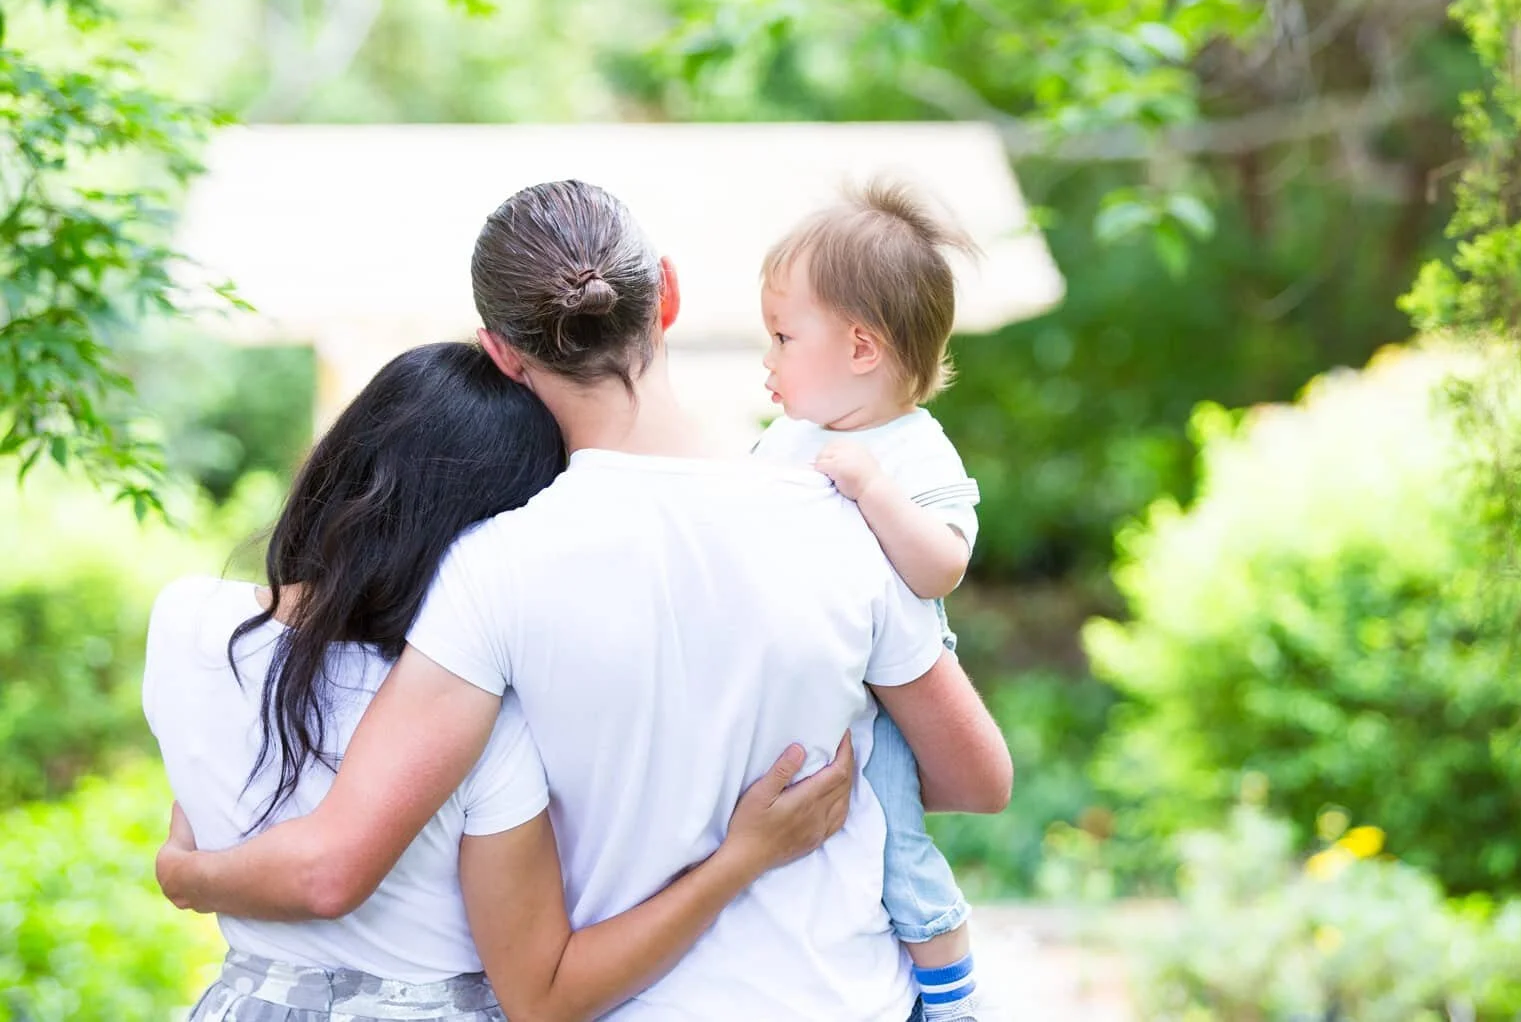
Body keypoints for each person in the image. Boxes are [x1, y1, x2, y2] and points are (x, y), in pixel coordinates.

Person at [156, 180, 1013, 1022]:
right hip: (845, 996)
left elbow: (341, 855)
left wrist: (189, 875)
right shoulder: (845, 524)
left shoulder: (490, 570)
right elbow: (975, 778)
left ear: (500, 352)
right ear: (667, 294)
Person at [146, 341, 854, 1021]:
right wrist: (743, 858)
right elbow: (544, 997)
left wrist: (185, 876)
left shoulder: (186, 622)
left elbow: (197, 818)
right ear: (488, 525)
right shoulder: (471, 719)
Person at [755, 180, 987, 1021]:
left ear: (861, 348)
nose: (767, 358)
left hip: (889, 695)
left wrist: (874, 491)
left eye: (782, 336)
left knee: (890, 839)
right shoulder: (784, 439)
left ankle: (948, 986)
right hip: (807, 677)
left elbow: (940, 570)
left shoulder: (912, 451)